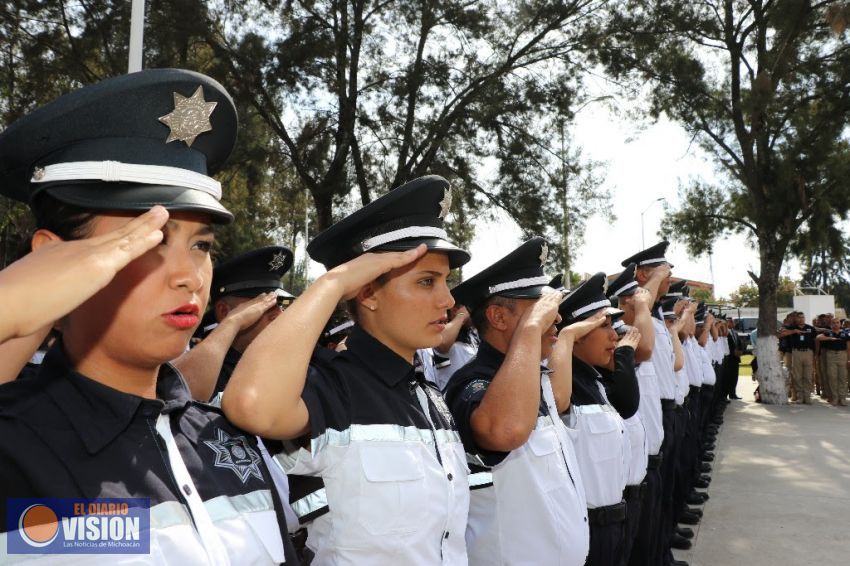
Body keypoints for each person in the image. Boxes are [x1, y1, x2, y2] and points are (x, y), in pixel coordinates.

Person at [0, 69, 298, 563]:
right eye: (149, 242)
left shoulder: (227, 438)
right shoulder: (15, 448)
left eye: (201, 245)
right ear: (52, 260)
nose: (190, 276)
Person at [222, 175, 471, 565]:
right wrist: (334, 282)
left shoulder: (427, 394)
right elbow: (251, 404)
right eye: (426, 281)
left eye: (445, 281)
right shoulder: (331, 385)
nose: (448, 299)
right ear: (368, 293)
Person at [444, 237, 592, 566]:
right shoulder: (472, 382)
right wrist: (530, 329)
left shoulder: (532, 375)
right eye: (542, 310)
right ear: (498, 317)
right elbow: (505, 430)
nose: (555, 320)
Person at [558, 272, 631, 566]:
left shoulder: (595, 381)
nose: (615, 335)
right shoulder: (564, 387)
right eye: (603, 327)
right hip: (588, 531)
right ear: (575, 337)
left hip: (613, 522)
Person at [173, 245, 295, 402]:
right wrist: (233, 322)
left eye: (280, 303)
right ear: (224, 311)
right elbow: (178, 392)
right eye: (263, 304)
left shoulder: (288, 362)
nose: (278, 313)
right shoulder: (209, 370)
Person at [780, 312, 817, 404]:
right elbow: (780, 334)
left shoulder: (810, 328)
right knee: (798, 376)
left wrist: (815, 353)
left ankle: (807, 397)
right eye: (799, 317)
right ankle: (800, 397)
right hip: (796, 353)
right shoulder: (792, 328)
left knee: (808, 376)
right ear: (796, 319)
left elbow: (816, 340)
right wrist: (794, 331)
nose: (801, 319)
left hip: (808, 352)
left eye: (803, 317)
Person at [816, 318, 849, 406]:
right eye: (833, 323)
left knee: (842, 377)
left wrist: (848, 358)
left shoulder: (845, 333)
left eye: (837, 323)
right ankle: (835, 398)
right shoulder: (828, 332)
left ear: (840, 324)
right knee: (832, 377)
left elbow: (848, 346)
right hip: (831, 355)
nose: (835, 324)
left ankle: (842, 398)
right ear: (831, 324)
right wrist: (830, 338)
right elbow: (818, 337)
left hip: (842, 354)